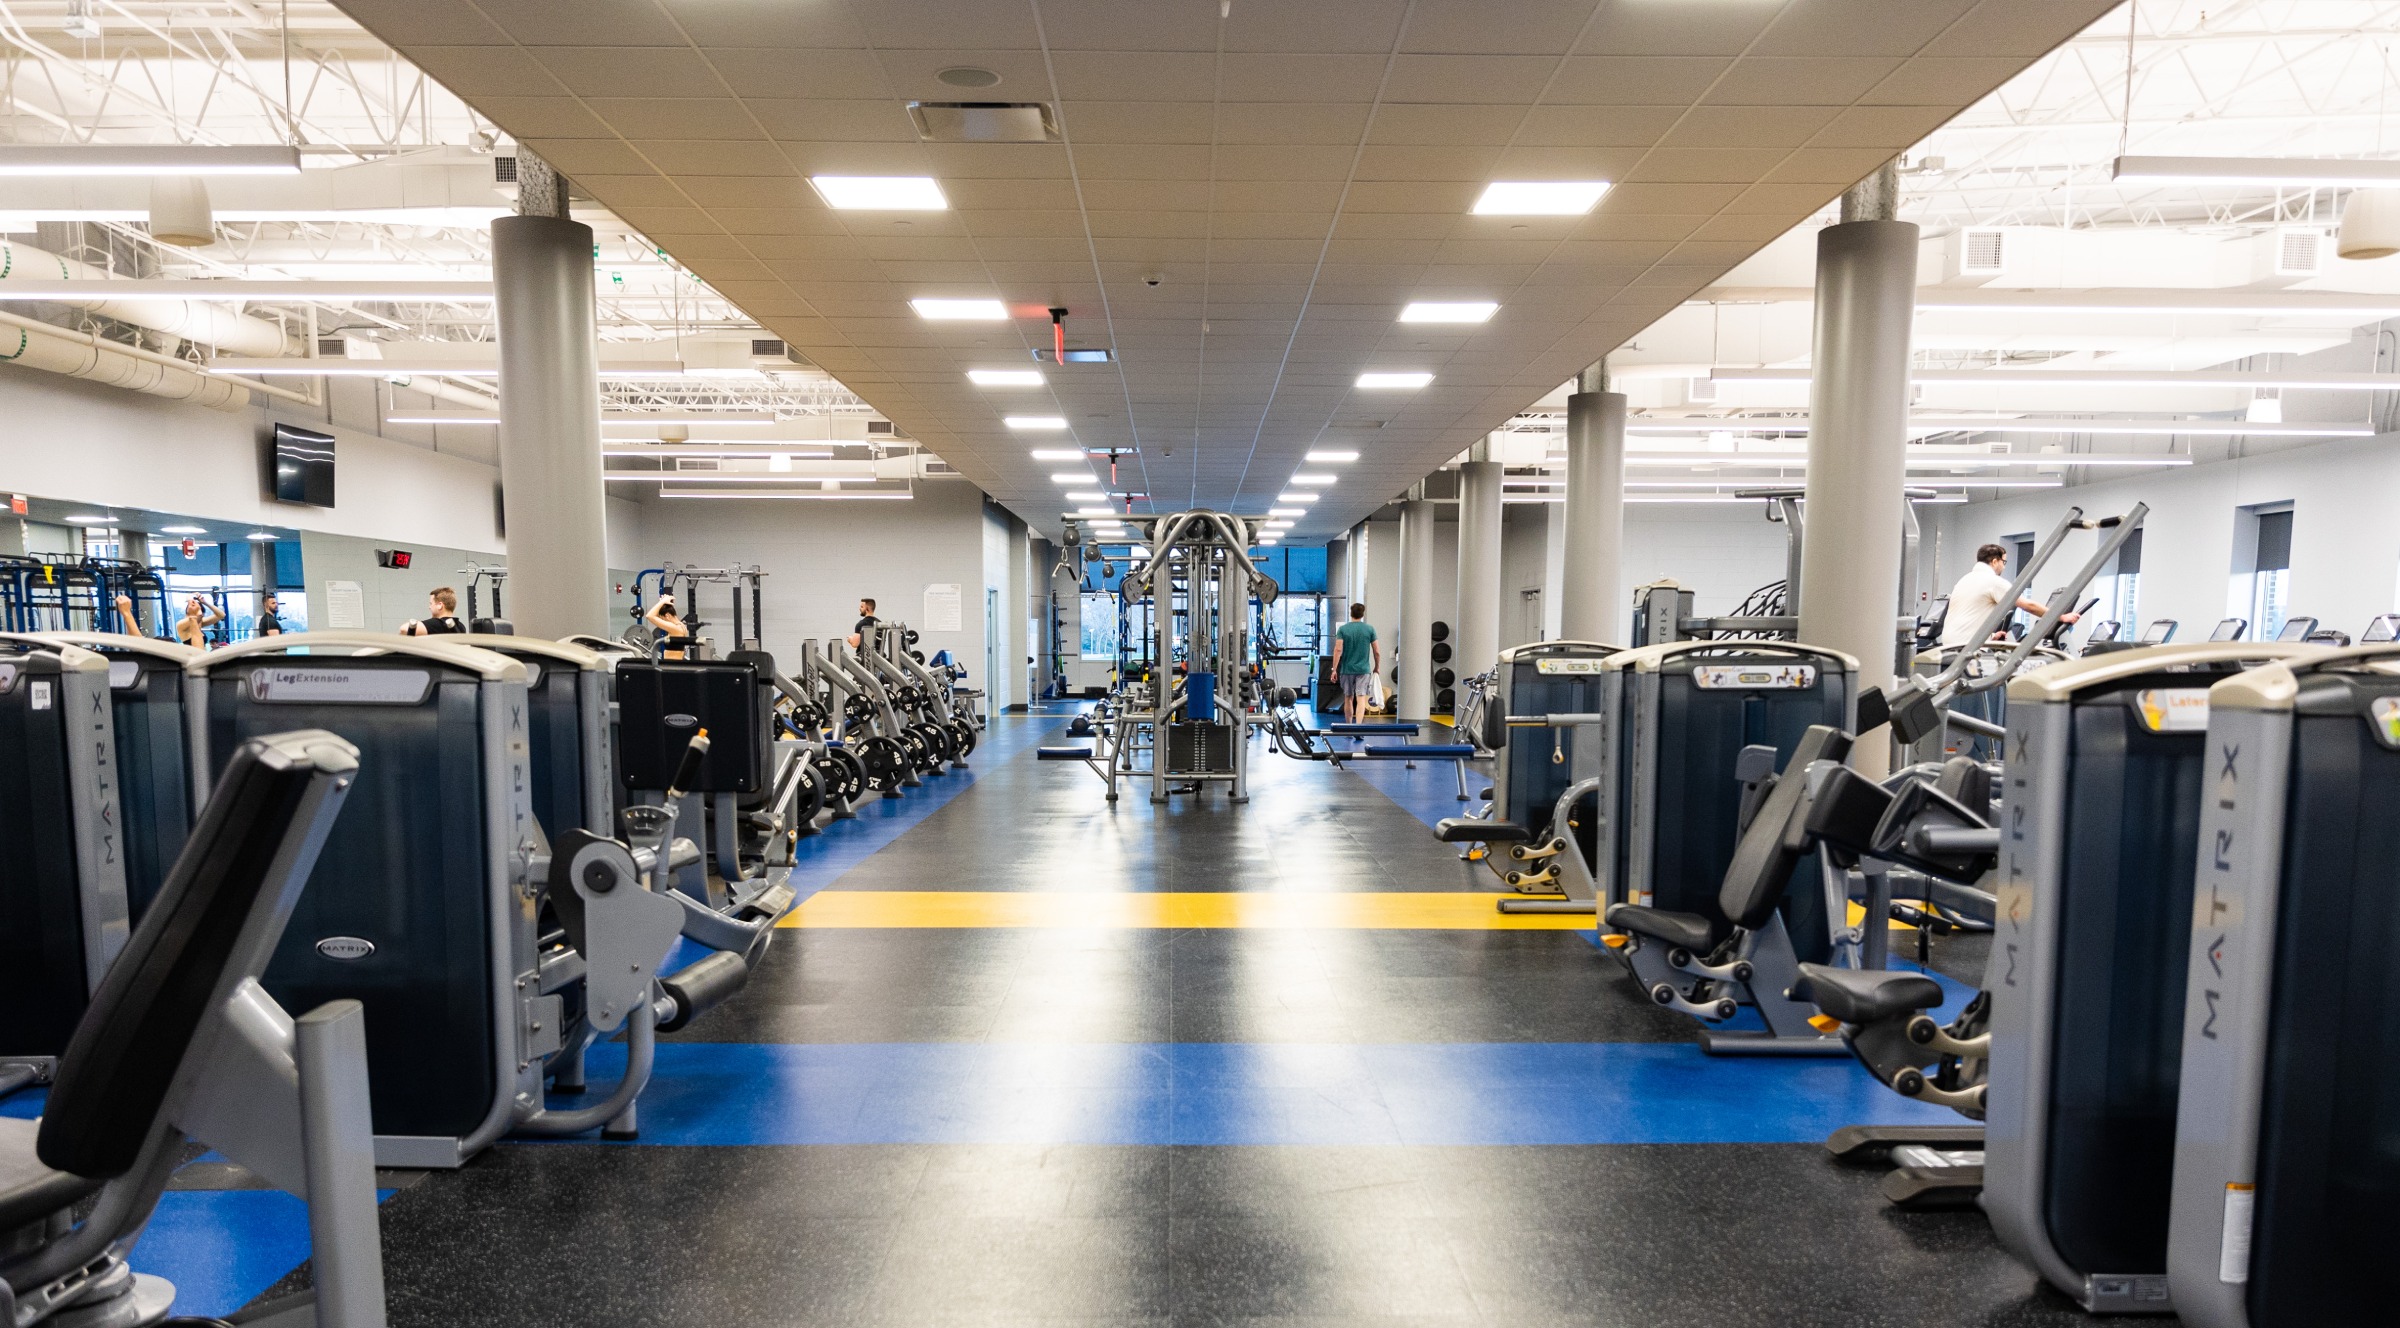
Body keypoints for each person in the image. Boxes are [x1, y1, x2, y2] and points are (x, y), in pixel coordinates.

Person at [1940, 543, 2077, 649]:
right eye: (2003, 562)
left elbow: (1970, 618)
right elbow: (2028, 606)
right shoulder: (1993, 582)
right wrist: (2061, 616)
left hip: (1949, 644)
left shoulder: (1964, 580)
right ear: (1995, 561)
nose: (2004, 567)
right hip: (1967, 647)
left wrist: (1991, 636)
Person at [1333, 602, 1380, 723]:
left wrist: (1334, 669)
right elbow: (1377, 651)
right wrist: (1377, 667)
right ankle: (1358, 726)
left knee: (1348, 697)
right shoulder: (1370, 629)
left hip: (1347, 670)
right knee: (1361, 698)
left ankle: (1348, 726)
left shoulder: (1343, 629)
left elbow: (1338, 650)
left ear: (1351, 613)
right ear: (1362, 614)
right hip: (1363, 670)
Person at [401, 587, 466, 637]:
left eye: (431, 603)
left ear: (440, 605)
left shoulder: (437, 624)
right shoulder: (461, 627)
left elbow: (404, 629)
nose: (429, 607)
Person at [645, 594, 690, 660]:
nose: (662, 621)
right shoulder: (681, 626)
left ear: (667, 616)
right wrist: (663, 604)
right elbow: (655, 615)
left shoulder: (675, 628)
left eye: (662, 619)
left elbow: (649, 616)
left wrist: (662, 602)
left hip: (673, 666)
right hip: (672, 664)